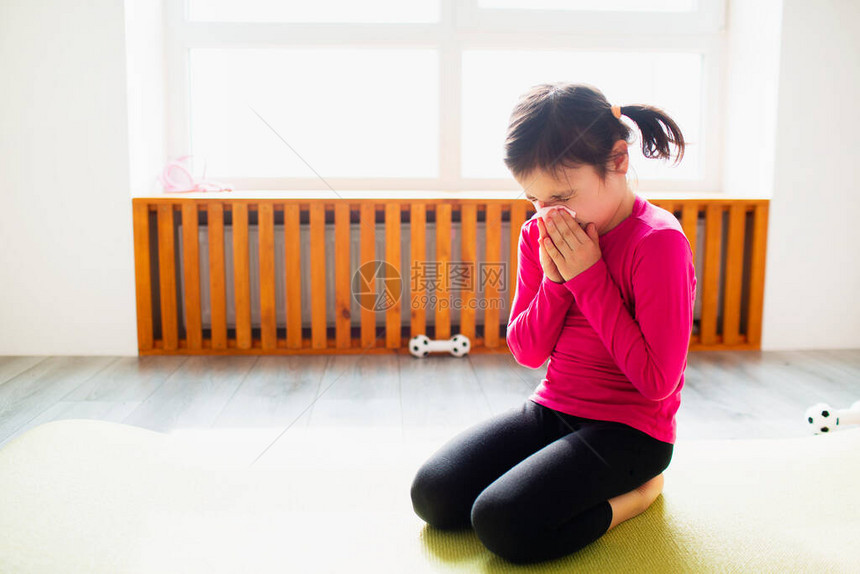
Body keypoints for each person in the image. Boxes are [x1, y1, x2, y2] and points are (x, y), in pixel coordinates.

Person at [410, 82, 697, 564]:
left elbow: (656, 383)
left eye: (561, 195)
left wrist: (589, 278)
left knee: (502, 523)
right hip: (554, 408)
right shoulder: (539, 233)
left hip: (632, 432)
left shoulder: (658, 242)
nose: (547, 215)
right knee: (434, 496)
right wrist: (558, 282)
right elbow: (527, 351)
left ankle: (639, 495)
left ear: (619, 161)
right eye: (534, 200)